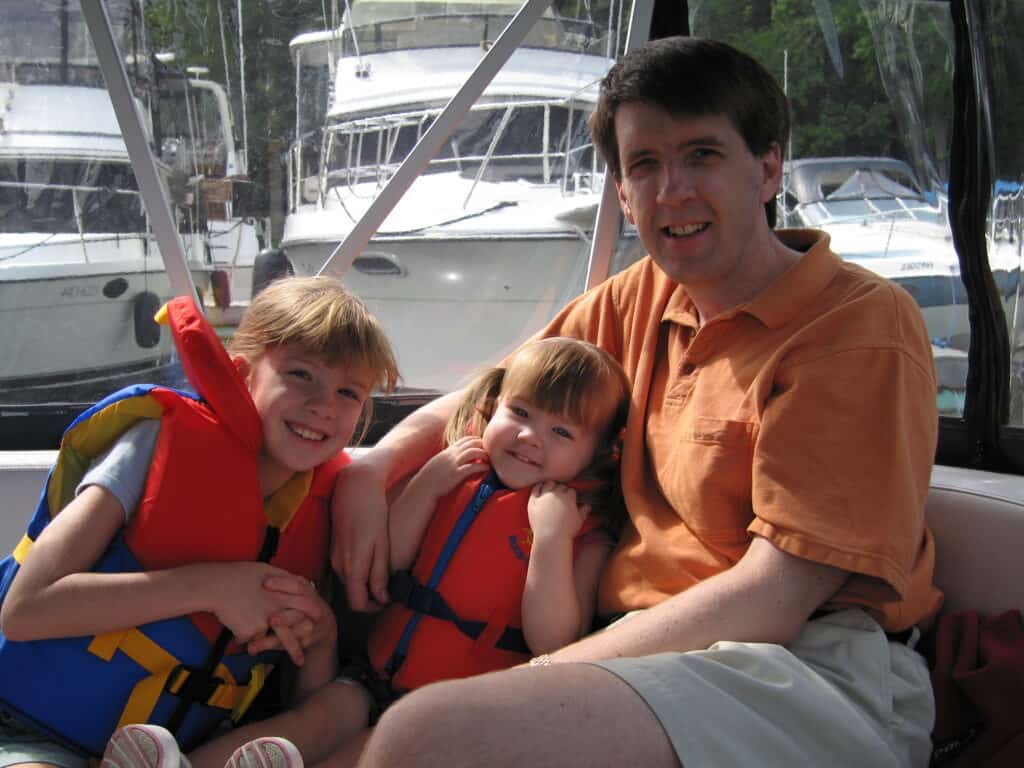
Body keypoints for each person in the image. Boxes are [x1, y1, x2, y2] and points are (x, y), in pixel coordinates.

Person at [326, 36, 942, 768]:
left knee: (425, 732)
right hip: (635, 647)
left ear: (769, 168)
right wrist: (375, 466)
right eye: (644, 165)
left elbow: (776, 595)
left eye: (703, 155)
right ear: (621, 192)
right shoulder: (640, 296)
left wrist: (541, 677)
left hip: (805, 666)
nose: (672, 190)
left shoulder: (857, 327)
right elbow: (494, 393)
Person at [0, 277, 398, 768]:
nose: (324, 406)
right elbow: (24, 610)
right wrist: (211, 587)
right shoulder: (154, 444)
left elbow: (295, 703)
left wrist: (319, 641)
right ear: (242, 373)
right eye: (300, 375)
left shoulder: (326, 505)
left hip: (178, 753)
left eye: (348, 392)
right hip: (32, 731)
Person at [201, 337, 630, 766]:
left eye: (561, 431)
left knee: (367, 753)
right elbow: (391, 563)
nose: (529, 437)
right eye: (519, 413)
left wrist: (552, 539)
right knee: (305, 725)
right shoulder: (461, 470)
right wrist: (427, 485)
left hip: (454, 714)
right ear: (493, 406)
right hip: (374, 674)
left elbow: (552, 642)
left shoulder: (583, 531)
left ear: (598, 453)